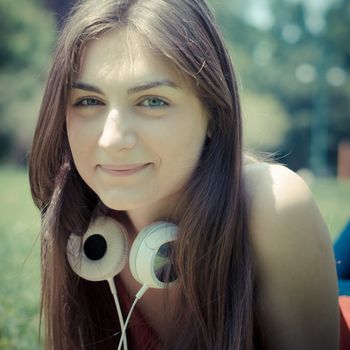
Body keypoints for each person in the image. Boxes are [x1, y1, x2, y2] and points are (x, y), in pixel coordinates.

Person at [28, 0, 339, 349]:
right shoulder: (81, 229)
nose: (112, 139)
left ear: (213, 114)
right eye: (88, 101)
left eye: (152, 101)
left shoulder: (274, 205)